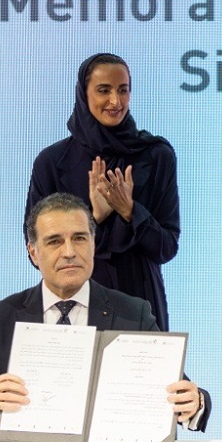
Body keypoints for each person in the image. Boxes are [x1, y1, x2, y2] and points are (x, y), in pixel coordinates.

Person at [0, 193, 209, 441]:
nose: (70, 252)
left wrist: (194, 403)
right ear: (33, 252)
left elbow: (181, 394)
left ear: (93, 244)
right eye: (54, 242)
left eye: (80, 238)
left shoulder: (134, 313)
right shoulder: (0, 318)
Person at [25, 52, 179, 330]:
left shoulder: (155, 155)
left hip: (139, 303)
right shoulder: (51, 162)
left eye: (123, 90)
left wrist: (130, 211)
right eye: (103, 90)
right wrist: (92, 217)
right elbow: (37, 252)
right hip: (73, 303)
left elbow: (166, 247)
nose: (115, 101)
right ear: (84, 94)